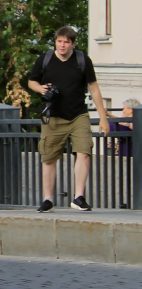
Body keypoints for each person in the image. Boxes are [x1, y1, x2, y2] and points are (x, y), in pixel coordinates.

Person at [26, 26, 110, 211]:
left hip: (78, 114)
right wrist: (40, 89)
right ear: (55, 41)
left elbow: (94, 88)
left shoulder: (82, 60)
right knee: (49, 157)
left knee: (84, 152)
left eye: (66, 42)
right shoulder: (45, 59)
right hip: (53, 116)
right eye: (59, 41)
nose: (62, 45)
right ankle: (48, 199)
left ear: (72, 43)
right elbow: (32, 81)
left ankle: (78, 197)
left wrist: (103, 118)